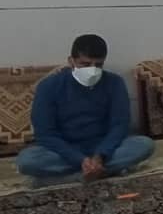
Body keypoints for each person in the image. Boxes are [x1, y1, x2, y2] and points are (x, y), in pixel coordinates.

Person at [17, 34, 155, 186]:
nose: (92, 70)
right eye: (85, 64)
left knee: (144, 145)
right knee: (27, 161)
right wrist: (79, 159)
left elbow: (119, 125)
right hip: (64, 149)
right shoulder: (49, 86)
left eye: (98, 65)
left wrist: (100, 156)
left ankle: (70, 177)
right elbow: (45, 134)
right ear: (71, 61)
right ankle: (102, 171)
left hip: (103, 147)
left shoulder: (114, 82)